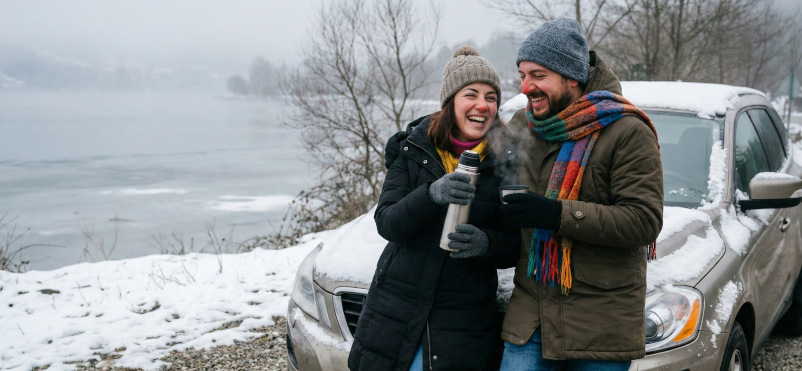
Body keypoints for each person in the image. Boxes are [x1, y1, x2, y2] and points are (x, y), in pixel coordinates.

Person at [497, 18, 663, 370]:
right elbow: (474, 152)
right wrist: (418, 142)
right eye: (522, 75)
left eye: (538, 75)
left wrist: (557, 214)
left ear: (572, 76)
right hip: (532, 317)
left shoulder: (626, 131)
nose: (525, 87)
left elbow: (643, 221)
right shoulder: (524, 126)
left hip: (599, 324)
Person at [348, 46, 520, 371]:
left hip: (463, 317)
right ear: (451, 101)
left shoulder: (509, 161)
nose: (483, 105)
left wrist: (487, 244)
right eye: (471, 94)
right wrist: (430, 195)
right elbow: (387, 222)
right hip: (396, 306)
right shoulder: (414, 148)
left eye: (491, 97)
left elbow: (518, 241)